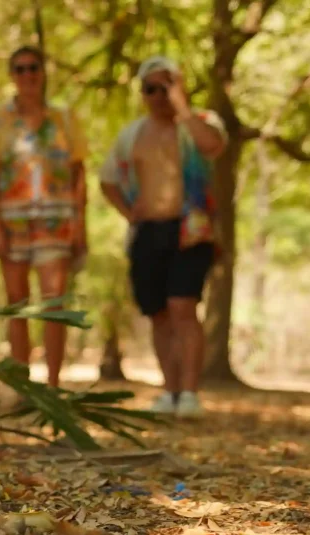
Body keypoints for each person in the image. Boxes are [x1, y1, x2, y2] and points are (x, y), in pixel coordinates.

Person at [99, 56, 227, 418]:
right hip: (148, 232)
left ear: (179, 86)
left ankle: (189, 394)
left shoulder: (201, 122)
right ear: (142, 93)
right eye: (150, 88)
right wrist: (129, 212)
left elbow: (213, 147)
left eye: (165, 86)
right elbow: (107, 180)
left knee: (183, 307)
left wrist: (182, 107)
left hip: (192, 230)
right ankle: (169, 392)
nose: (159, 95)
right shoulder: (131, 135)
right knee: (158, 314)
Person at [0, 46, 89, 388]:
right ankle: (22, 385)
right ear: (12, 75)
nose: (27, 75)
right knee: (16, 304)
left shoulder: (65, 119)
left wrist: (80, 224)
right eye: (20, 69)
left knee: (55, 304)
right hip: (11, 225)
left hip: (57, 222)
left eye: (33, 67)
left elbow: (79, 173)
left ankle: (53, 385)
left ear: (43, 72)